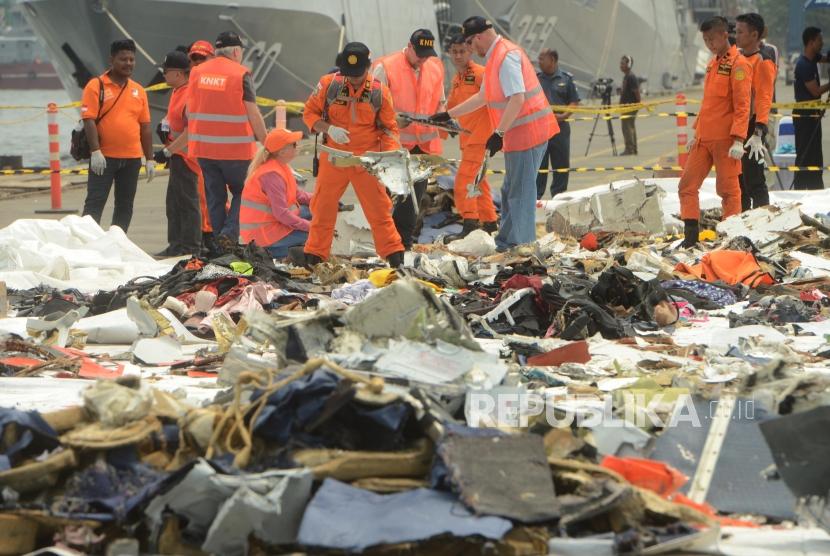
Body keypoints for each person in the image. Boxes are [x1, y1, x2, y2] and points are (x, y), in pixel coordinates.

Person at [436, 16, 558, 251]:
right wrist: (448, 115)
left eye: (470, 44)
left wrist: (499, 132)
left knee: (520, 192)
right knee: (510, 190)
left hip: (527, 133)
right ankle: (507, 242)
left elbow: (517, 98)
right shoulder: (496, 55)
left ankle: (522, 245)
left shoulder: (506, 56)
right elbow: (483, 96)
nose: (470, 50)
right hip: (518, 134)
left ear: (478, 37)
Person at [301, 42, 405, 267]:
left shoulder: (379, 92)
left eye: (358, 75)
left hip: (366, 160)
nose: (354, 79)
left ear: (368, 68)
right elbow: (309, 113)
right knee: (322, 207)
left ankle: (394, 254)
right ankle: (314, 255)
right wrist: (329, 128)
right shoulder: (329, 85)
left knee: (379, 210)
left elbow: (389, 128)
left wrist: (385, 157)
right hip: (334, 156)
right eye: (350, 74)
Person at [187, 31, 267, 247]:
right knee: (246, 192)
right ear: (235, 51)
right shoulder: (240, 74)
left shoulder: (196, 73)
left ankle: (219, 242)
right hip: (235, 151)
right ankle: (229, 235)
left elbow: (188, 110)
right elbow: (253, 112)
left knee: (215, 197)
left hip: (204, 150)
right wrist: (267, 144)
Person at [679, 16, 752, 248]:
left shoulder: (738, 65)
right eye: (705, 40)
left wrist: (739, 139)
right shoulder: (712, 64)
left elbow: (742, 106)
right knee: (686, 186)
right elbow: (708, 103)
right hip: (704, 139)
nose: (709, 43)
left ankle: (730, 240)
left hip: (725, 141)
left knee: (729, 192)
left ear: (724, 35)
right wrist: (696, 133)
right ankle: (690, 239)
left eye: (712, 38)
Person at [373, 29, 445, 249]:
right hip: (391, 145)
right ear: (409, 46)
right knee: (383, 196)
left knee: (413, 198)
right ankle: (384, 242)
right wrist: (392, 119)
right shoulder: (385, 67)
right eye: (419, 54)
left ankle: (403, 243)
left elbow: (440, 101)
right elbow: (370, 105)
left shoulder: (434, 67)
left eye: (427, 54)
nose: (423, 59)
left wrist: (442, 118)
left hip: (423, 146)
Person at [80, 39, 153, 232]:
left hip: (131, 159)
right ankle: (84, 243)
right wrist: (95, 151)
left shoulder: (139, 90)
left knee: (125, 205)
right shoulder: (96, 86)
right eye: (123, 59)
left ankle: (117, 243)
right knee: (95, 203)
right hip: (104, 158)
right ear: (111, 60)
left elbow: (145, 127)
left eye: (131, 59)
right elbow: (88, 120)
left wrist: (150, 159)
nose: (128, 63)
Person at [443, 33, 499, 240]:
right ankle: (490, 222)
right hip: (467, 139)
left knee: (464, 182)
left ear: (470, 52)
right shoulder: (457, 79)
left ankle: (470, 224)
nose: (458, 55)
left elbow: (491, 100)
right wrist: (444, 122)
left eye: (462, 51)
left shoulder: (480, 74)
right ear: (449, 53)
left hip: (480, 137)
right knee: (479, 183)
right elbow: (452, 105)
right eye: (454, 51)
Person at [151, 51, 202, 258]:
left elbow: (192, 130)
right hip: (177, 156)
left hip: (186, 158)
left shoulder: (190, 95)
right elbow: (174, 119)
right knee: (173, 203)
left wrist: (167, 150)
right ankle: (175, 244)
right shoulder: (177, 92)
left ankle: (191, 247)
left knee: (187, 203)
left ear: (179, 74)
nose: (163, 75)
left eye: (166, 71)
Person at [240, 128, 312, 258]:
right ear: (282, 151)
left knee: (314, 213)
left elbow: (297, 195)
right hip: (262, 235)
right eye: (294, 144)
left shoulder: (280, 166)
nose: (298, 146)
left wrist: (323, 200)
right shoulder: (272, 175)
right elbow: (282, 214)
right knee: (315, 237)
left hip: (271, 225)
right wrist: (311, 227)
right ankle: (274, 254)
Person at [735, 13, 776, 210]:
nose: (737, 35)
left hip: (753, 129)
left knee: (755, 181)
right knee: (739, 181)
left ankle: (762, 223)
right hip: (738, 127)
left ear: (754, 35)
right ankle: (741, 221)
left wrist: (759, 132)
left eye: (740, 32)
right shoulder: (738, 58)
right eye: (736, 31)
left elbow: (764, 98)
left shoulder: (763, 61)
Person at [536, 48, 579, 198]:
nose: (539, 61)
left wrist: (565, 114)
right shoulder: (536, 79)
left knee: (561, 164)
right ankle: (536, 198)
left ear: (552, 60)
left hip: (560, 129)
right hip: (540, 129)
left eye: (542, 58)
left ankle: (558, 196)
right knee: (539, 165)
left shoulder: (566, 79)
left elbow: (574, 101)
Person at [793, 27, 830, 190]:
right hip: (804, 116)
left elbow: (825, 59)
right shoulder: (804, 65)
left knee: (816, 154)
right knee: (805, 154)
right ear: (811, 42)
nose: (822, 44)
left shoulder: (813, 59)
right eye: (820, 41)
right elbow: (815, 91)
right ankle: (801, 187)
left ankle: (816, 186)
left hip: (813, 114)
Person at [619, 55, 641, 155]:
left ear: (628, 65)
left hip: (630, 106)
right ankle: (633, 148)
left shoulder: (631, 77)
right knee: (630, 127)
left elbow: (636, 91)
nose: (621, 65)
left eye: (623, 63)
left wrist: (637, 104)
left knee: (627, 127)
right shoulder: (627, 76)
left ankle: (629, 149)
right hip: (626, 106)